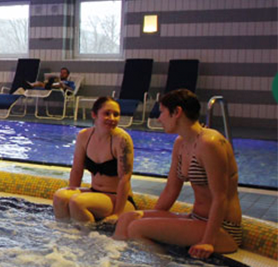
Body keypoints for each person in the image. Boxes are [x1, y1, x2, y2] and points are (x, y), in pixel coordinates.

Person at [114, 89, 243, 258]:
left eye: (162, 112)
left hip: (221, 229)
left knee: (137, 228)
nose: (159, 119)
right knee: (128, 218)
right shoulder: (181, 143)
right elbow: (171, 189)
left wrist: (208, 241)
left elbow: (220, 197)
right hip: (195, 218)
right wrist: (153, 220)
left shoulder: (210, 143)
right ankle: (115, 262)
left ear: (177, 112)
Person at [52, 96, 136, 225]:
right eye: (107, 113)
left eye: (116, 115)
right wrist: (71, 192)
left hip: (119, 200)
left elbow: (124, 179)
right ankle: (63, 232)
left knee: (78, 202)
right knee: (60, 196)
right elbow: (77, 170)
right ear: (94, 115)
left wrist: (118, 214)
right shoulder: (84, 136)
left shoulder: (122, 140)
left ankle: (89, 235)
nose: (112, 118)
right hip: (95, 192)